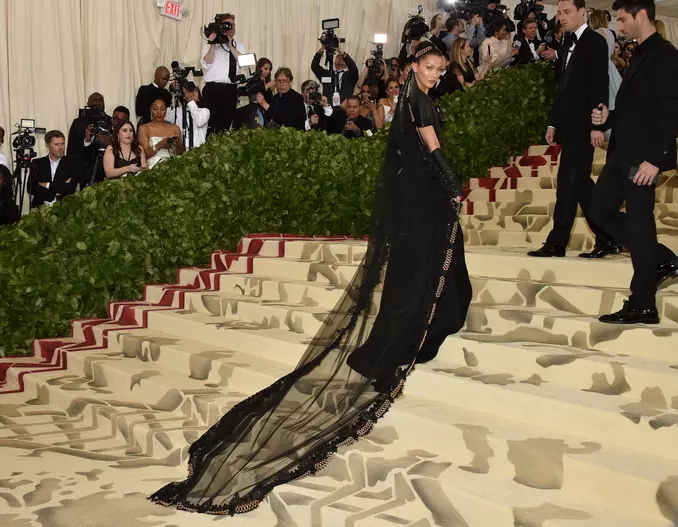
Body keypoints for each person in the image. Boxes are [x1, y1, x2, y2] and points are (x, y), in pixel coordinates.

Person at [149, 40, 470, 515]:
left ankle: (413, 332)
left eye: (441, 68)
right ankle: (416, 335)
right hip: (423, 203)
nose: (435, 74)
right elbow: (433, 150)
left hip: (414, 203)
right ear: (414, 67)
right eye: (429, 66)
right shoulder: (419, 102)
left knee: (427, 271)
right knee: (437, 270)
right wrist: (453, 187)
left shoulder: (408, 98)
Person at [589, 0, 678, 324]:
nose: (620, 27)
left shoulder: (666, 55)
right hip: (623, 154)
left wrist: (655, 160)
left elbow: (671, 112)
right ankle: (662, 259)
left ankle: (643, 303)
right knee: (600, 209)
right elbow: (637, 109)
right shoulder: (639, 53)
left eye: (623, 19)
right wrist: (608, 116)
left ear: (642, 15)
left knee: (640, 222)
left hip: (642, 159)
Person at [529, 0, 618, 259]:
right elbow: (563, 89)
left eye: (567, 12)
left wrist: (596, 125)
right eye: (558, 13)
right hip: (569, 125)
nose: (561, 17)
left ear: (583, 12)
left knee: (570, 183)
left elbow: (599, 85)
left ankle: (557, 242)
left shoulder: (594, 41)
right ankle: (607, 236)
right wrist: (553, 122)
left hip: (585, 125)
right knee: (578, 184)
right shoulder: (566, 42)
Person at [201, 13, 246, 134]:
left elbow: (244, 62)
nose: (231, 27)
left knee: (225, 125)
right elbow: (206, 64)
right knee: (208, 124)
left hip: (230, 90)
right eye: (227, 24)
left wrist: (230, 45)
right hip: (212, 89)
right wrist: (212, 43)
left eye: (232, 24)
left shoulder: (238, 45)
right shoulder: (211, 44)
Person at [29, 130, 87, 208]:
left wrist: (46, 184)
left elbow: (70, 188)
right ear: (48, 146)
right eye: (56, 144)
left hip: (64, 208)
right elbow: (31, 187)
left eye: (62, 144)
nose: (61, 147)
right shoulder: (37, 163)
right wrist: (52, 194)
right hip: (39, 208)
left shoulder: (73, 163)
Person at [589, 7, 623, 138]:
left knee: (606, 99)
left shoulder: (596, 33)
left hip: (602, 67)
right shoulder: (610, 32)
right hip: (611, 67)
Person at [138, 97, 183, 170]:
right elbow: (144, 155)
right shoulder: (144, 129)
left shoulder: (175, 128)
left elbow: (181, 153)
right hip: (153, 168)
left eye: (162, 109)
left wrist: (177, 145)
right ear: (150, 109)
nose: (159, 112)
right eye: (155, 109)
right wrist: (160, 145)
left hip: (173, 168)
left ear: (166, 110)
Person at [166, 86, 210, 151]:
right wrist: (173, 94)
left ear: (199, 98)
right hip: (181, 150)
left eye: (194, 91)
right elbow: (164, 120)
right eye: (187, 92)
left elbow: (199, 122)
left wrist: (191, 102)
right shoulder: (177, 111)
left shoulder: (204, 111)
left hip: (198, 151)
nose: (191, 94)